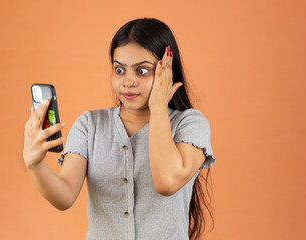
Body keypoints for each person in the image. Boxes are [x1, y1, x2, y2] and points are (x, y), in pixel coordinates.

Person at [23, 17, 216, 240]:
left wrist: (158, 107)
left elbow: (167, 181)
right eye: (119, 70)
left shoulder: (190, 123)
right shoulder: (90, 125)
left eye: (142, 71)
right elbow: (64, 195)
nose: (128, 81)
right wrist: (34, 164)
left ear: (167, 71)